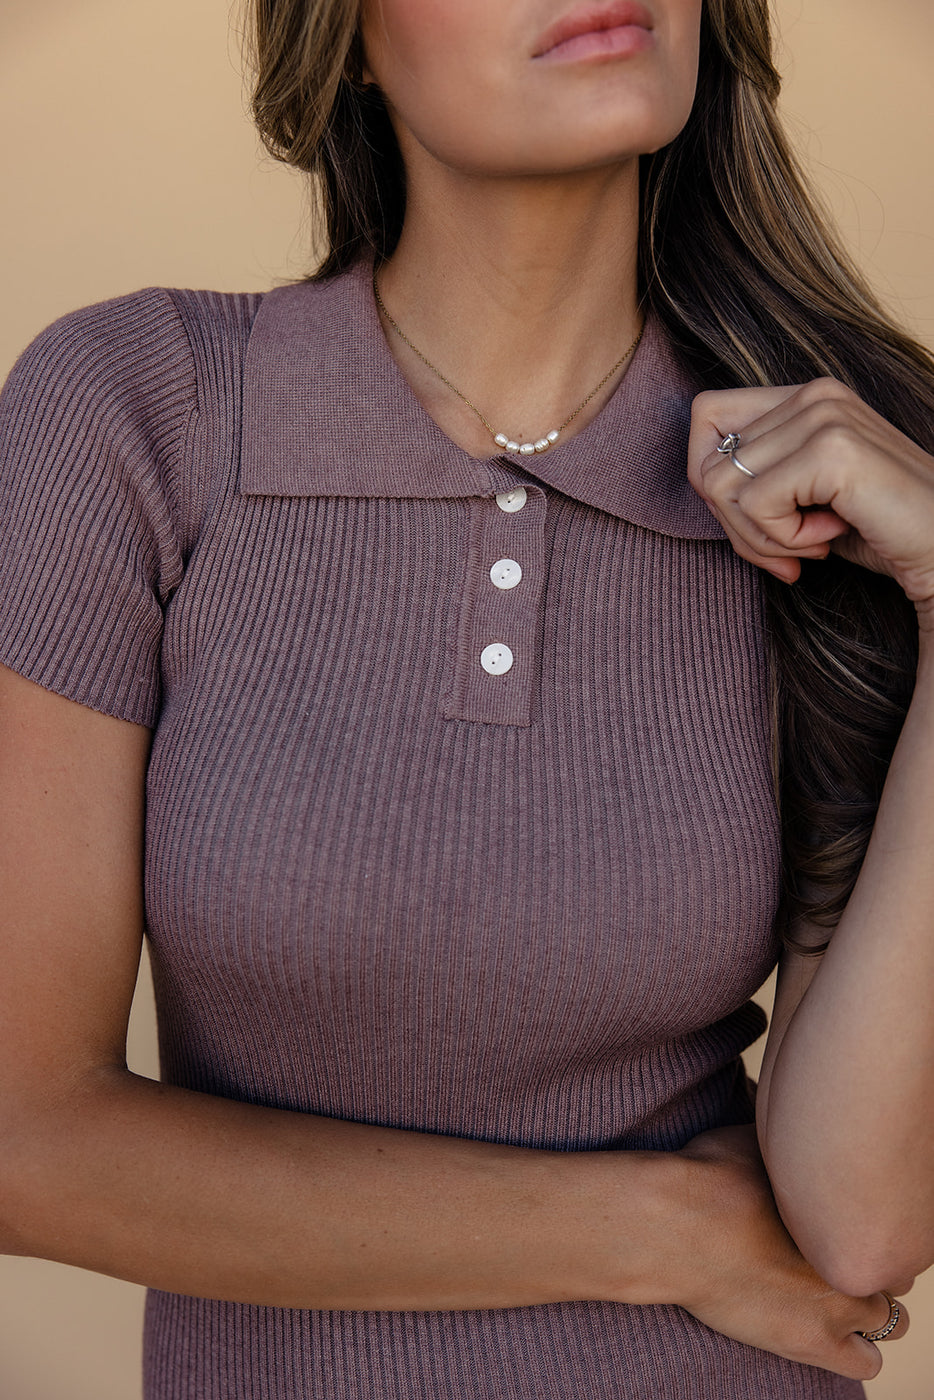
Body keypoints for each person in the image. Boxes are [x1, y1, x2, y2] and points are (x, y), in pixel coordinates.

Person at [0, 0, 932, 1396]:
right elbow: (24, 1146)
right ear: (347, 38)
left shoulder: (836, 487)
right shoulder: (141, 414)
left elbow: (860, 1222)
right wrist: (651, 1232)